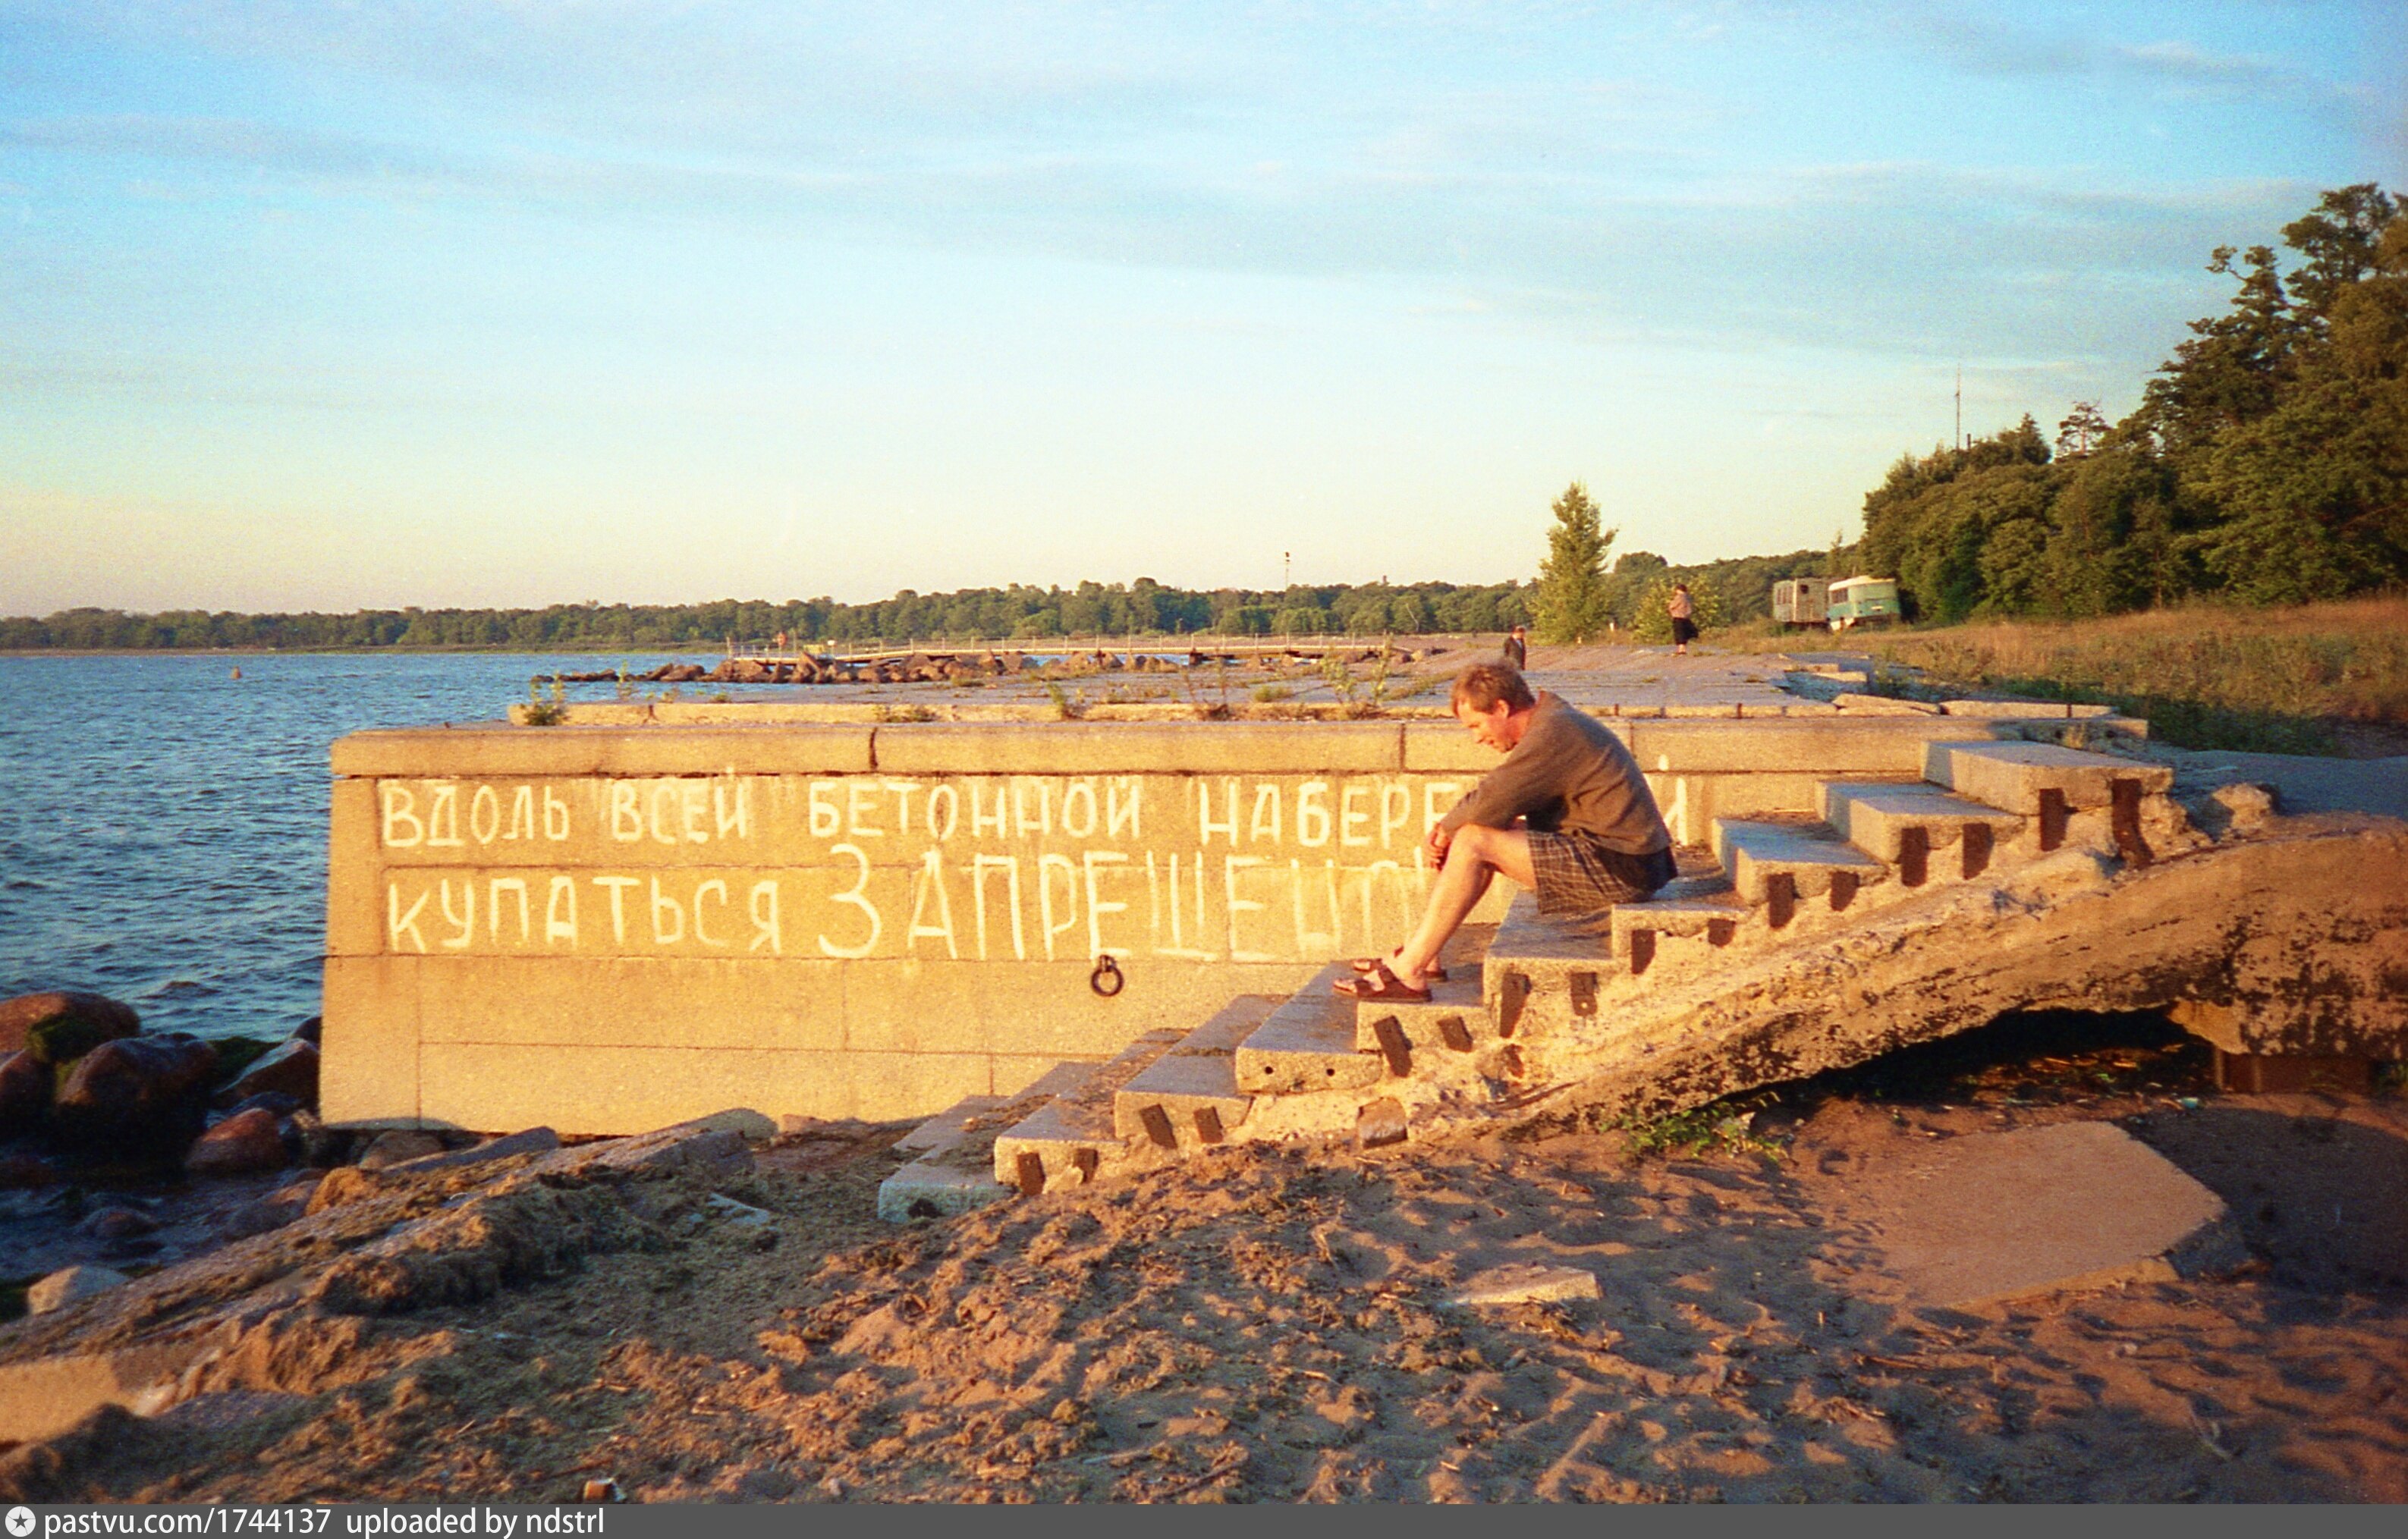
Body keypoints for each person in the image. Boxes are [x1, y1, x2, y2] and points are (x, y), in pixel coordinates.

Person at [1337, 662, 1676, 1002]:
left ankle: (1410, 970)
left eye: (1476, 725)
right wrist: (1450, 829)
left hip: (1624, 869)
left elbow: (1493, 798)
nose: (1476, 738)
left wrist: (1445, 830)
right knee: (1474, 832)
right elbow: (1493, 804)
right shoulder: (1553, 720)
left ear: (1501, 708)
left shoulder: (1553, 734)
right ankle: (1424, 953)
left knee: (1473, 840)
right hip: (1621, 856)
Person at [1668, 584, 1697, 656]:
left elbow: (1672, 606)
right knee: (1684, 633)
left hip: (1678, 616)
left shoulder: (1679, 597)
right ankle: (1683, 649)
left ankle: (1681, 650)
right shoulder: (1689, 597)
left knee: (1679, 633)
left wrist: (1671, 610)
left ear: (1678, 590)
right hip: (1686, 617)